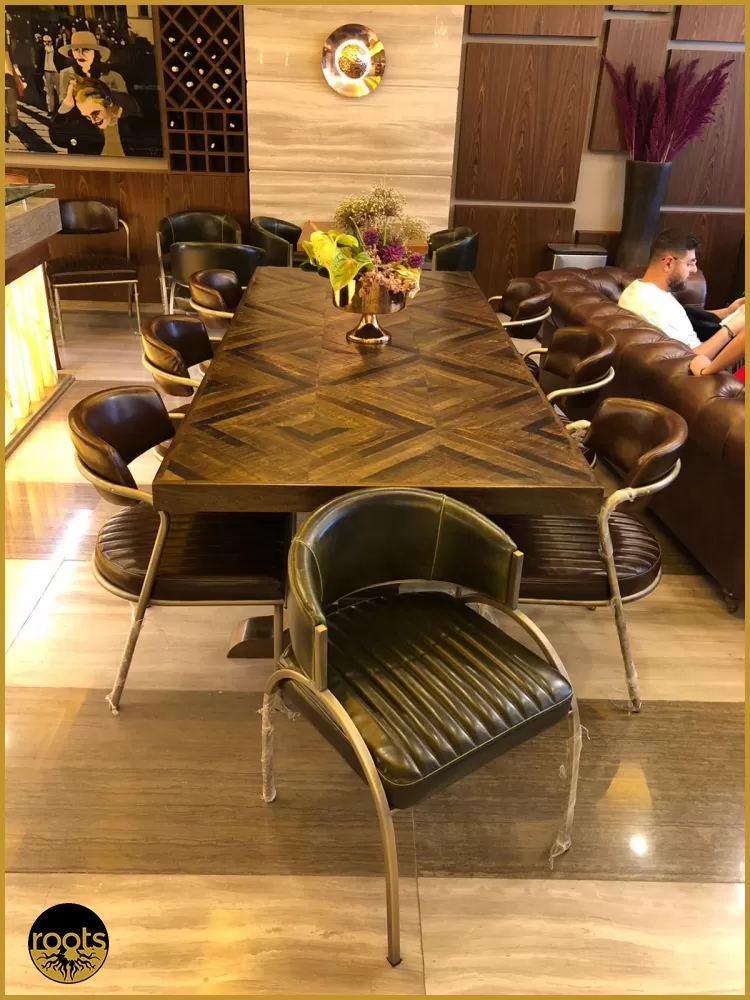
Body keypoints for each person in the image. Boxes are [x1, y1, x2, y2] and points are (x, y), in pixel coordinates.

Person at [618, 229, 744, 376]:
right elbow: (690, 357)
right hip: (711, 365)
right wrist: (730, 329)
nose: (694, 270)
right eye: (690, 263)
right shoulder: (651, 305)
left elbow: (682, 318)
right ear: (668, 263)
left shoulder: (642, 289)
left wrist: (729, 312)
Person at [68, 76, 149, 157]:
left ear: (108, 101)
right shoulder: (89, 129)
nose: (93, 121)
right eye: (87, 117)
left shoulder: (133, 118)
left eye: (95, 113)